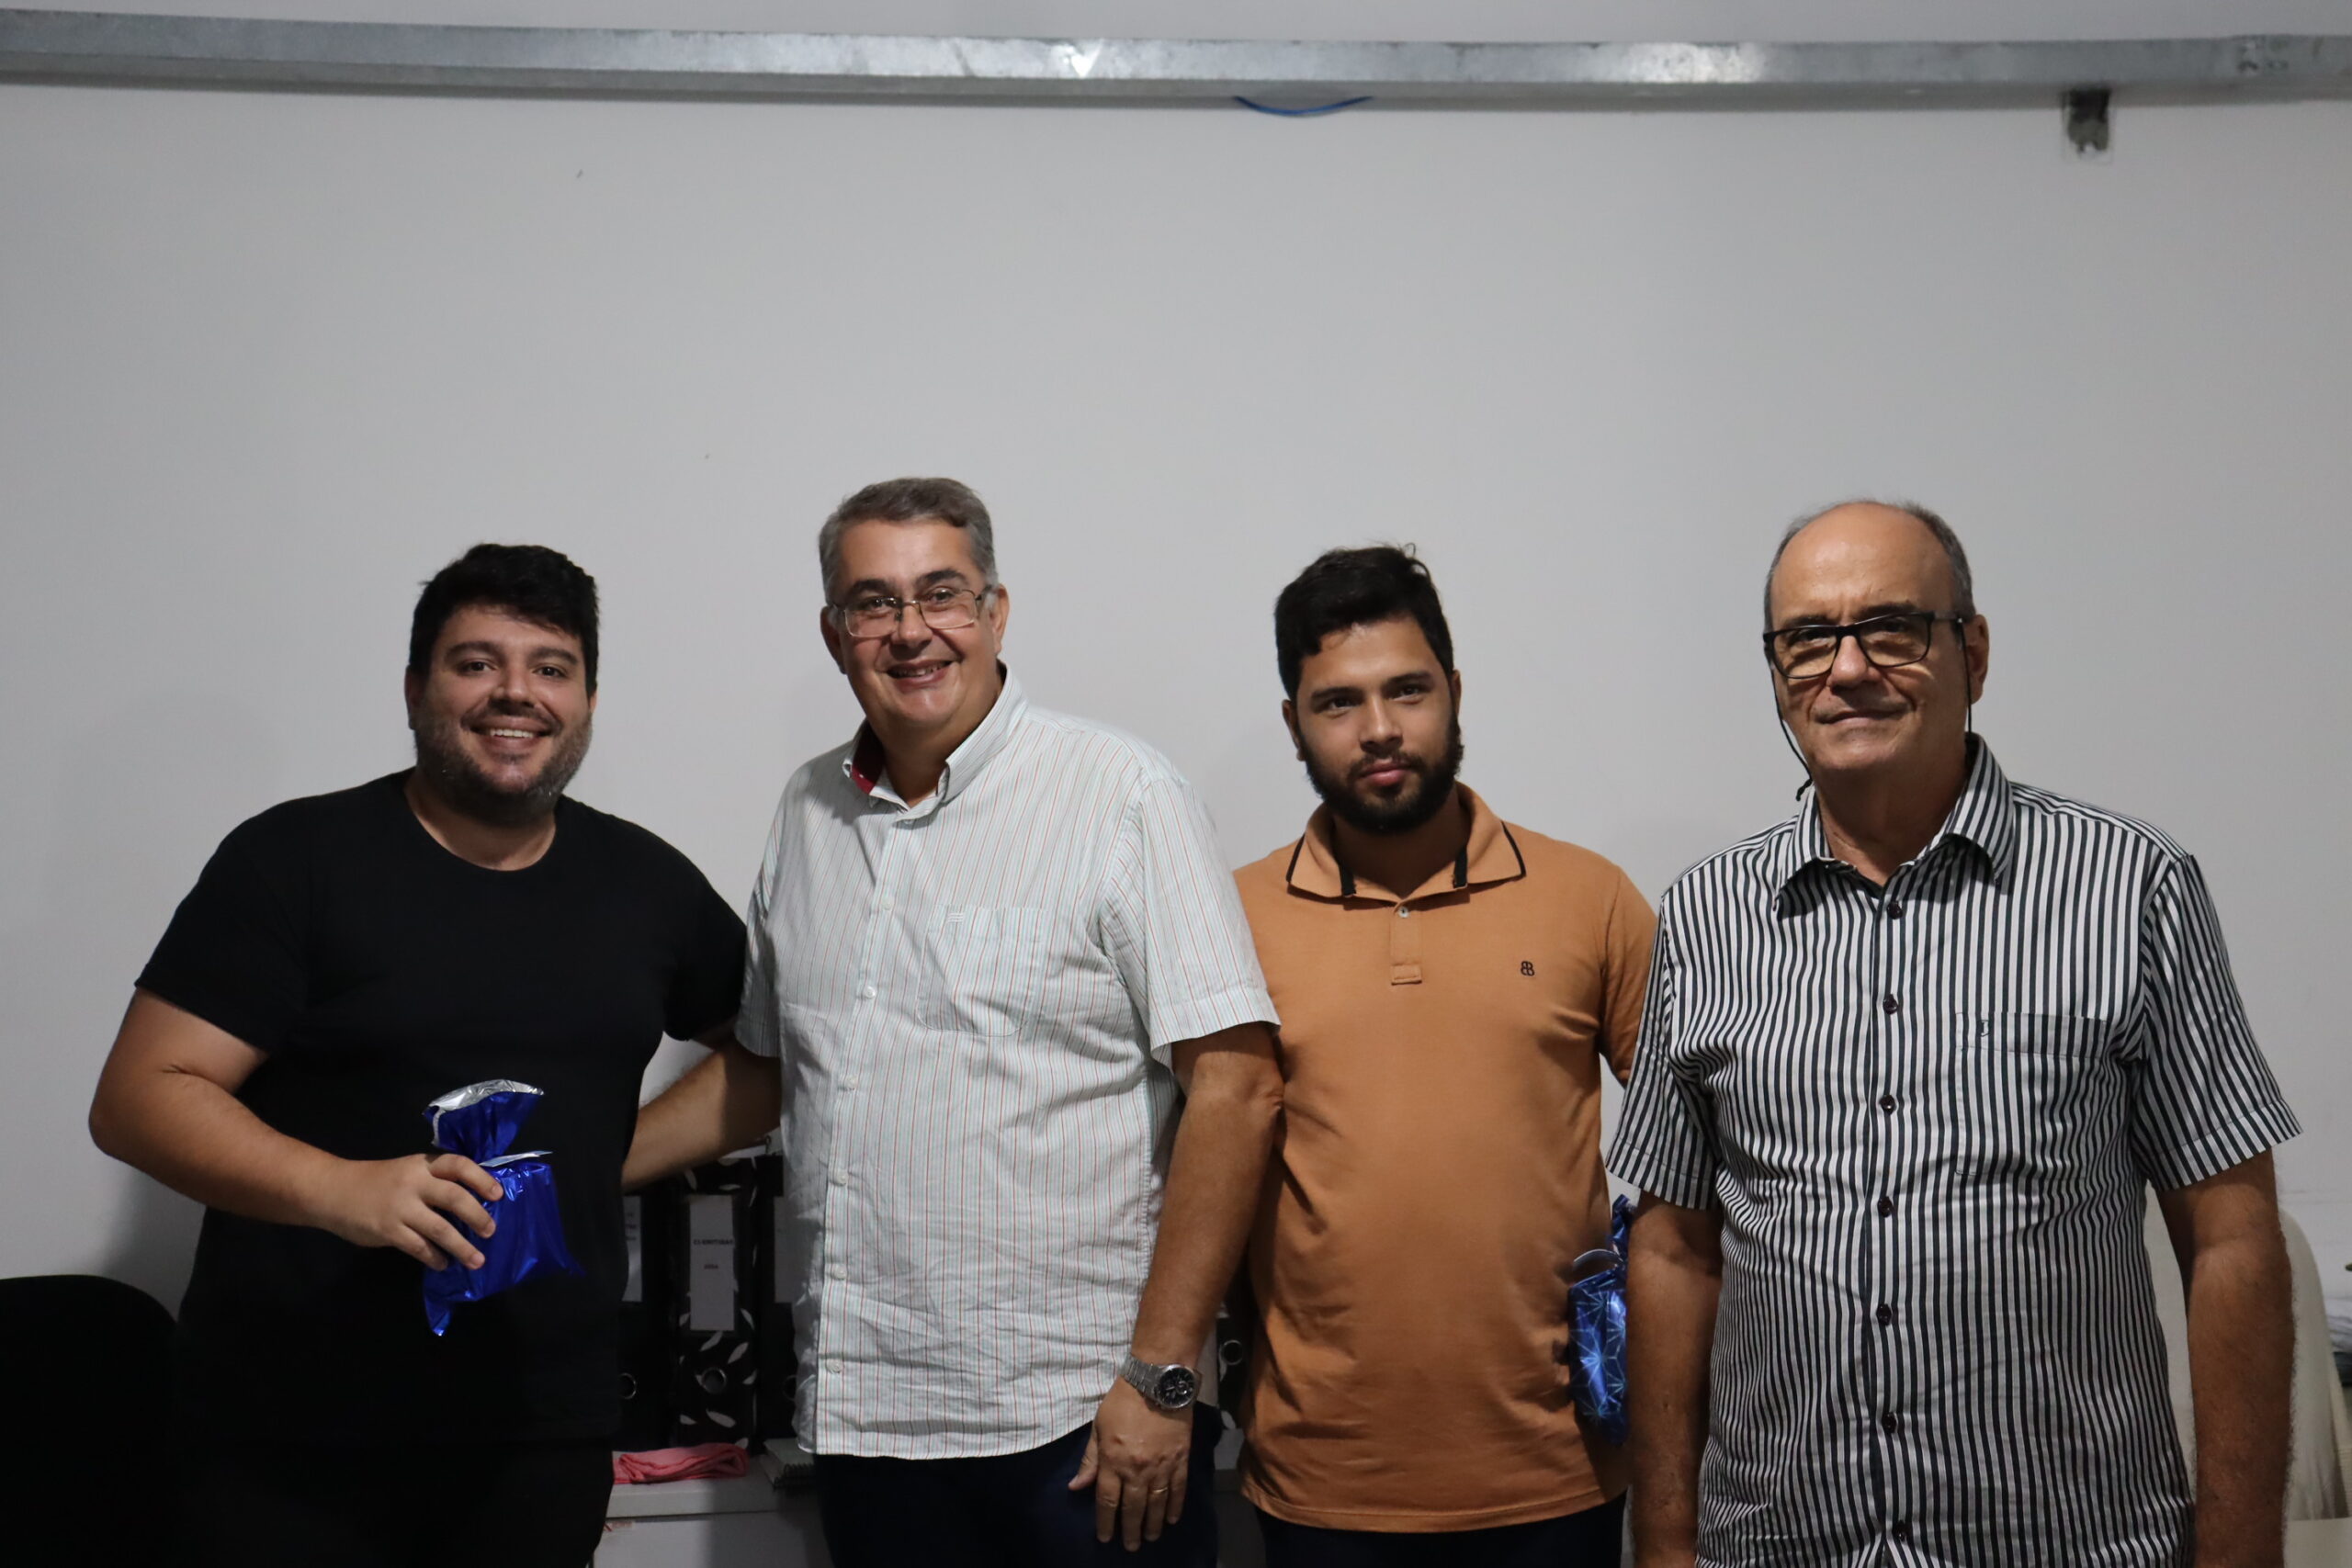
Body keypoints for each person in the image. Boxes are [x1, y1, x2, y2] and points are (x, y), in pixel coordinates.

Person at [1611, 501, 2301, 1568]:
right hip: (1781, 1546)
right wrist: (1664, 1542)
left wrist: (2240, 1552)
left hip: (2071, 1547)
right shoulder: (1705, 915)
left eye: (1890, 628)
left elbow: (2230, 1238)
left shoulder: (2130, 887)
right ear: (1776, 672)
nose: (1847, 669)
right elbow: (1670, 1251)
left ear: (1971, 652)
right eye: (1808, 638)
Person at [628, 477, 1283, 1564]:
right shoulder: (807, 811)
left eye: (941, 593)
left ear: (995, 612)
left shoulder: (1121, 795)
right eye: (873, 603)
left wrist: (1163, 1378)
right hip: (866, 1422)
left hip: (1082, 1422)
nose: (910, 629)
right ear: (834, 635)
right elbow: (773, 1069)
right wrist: (572, 1172)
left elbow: (1239, 1084)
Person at [89, 545, 751, 1568]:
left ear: (585, 700)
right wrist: (343, 1189)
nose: (515, 692)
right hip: (289, 1435)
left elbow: (770, 1064)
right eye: (476, 663)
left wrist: (596, 1161)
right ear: (415, 689)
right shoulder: (293, 861)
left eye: (551, 667)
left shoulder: (648, 886)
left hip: (540, 1434)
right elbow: (139, 1096)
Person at [1230, 546, 1653, 1567]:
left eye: (1407, 690)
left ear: (1454, 693)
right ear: (1293, 723)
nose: (1379, 728)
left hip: (1558, 1472)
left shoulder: (1588, 897)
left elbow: (1711, 1148)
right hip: (1320, 1486)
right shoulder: (1229, 918)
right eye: (1338, 702)